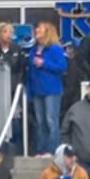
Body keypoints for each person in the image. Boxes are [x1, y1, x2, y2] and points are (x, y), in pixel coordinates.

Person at [27, 25, 68, 155]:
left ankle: (52, 149)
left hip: (52, 89)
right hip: (37, 89)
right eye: (36, 30)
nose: (37, 31)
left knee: (51, 120)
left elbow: (62, 66)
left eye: (40, 29)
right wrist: (29, 91)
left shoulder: (55, 49)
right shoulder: (34, 49)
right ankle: (41, 149)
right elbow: (30, 71)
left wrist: (44, 63)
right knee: (40, 121)